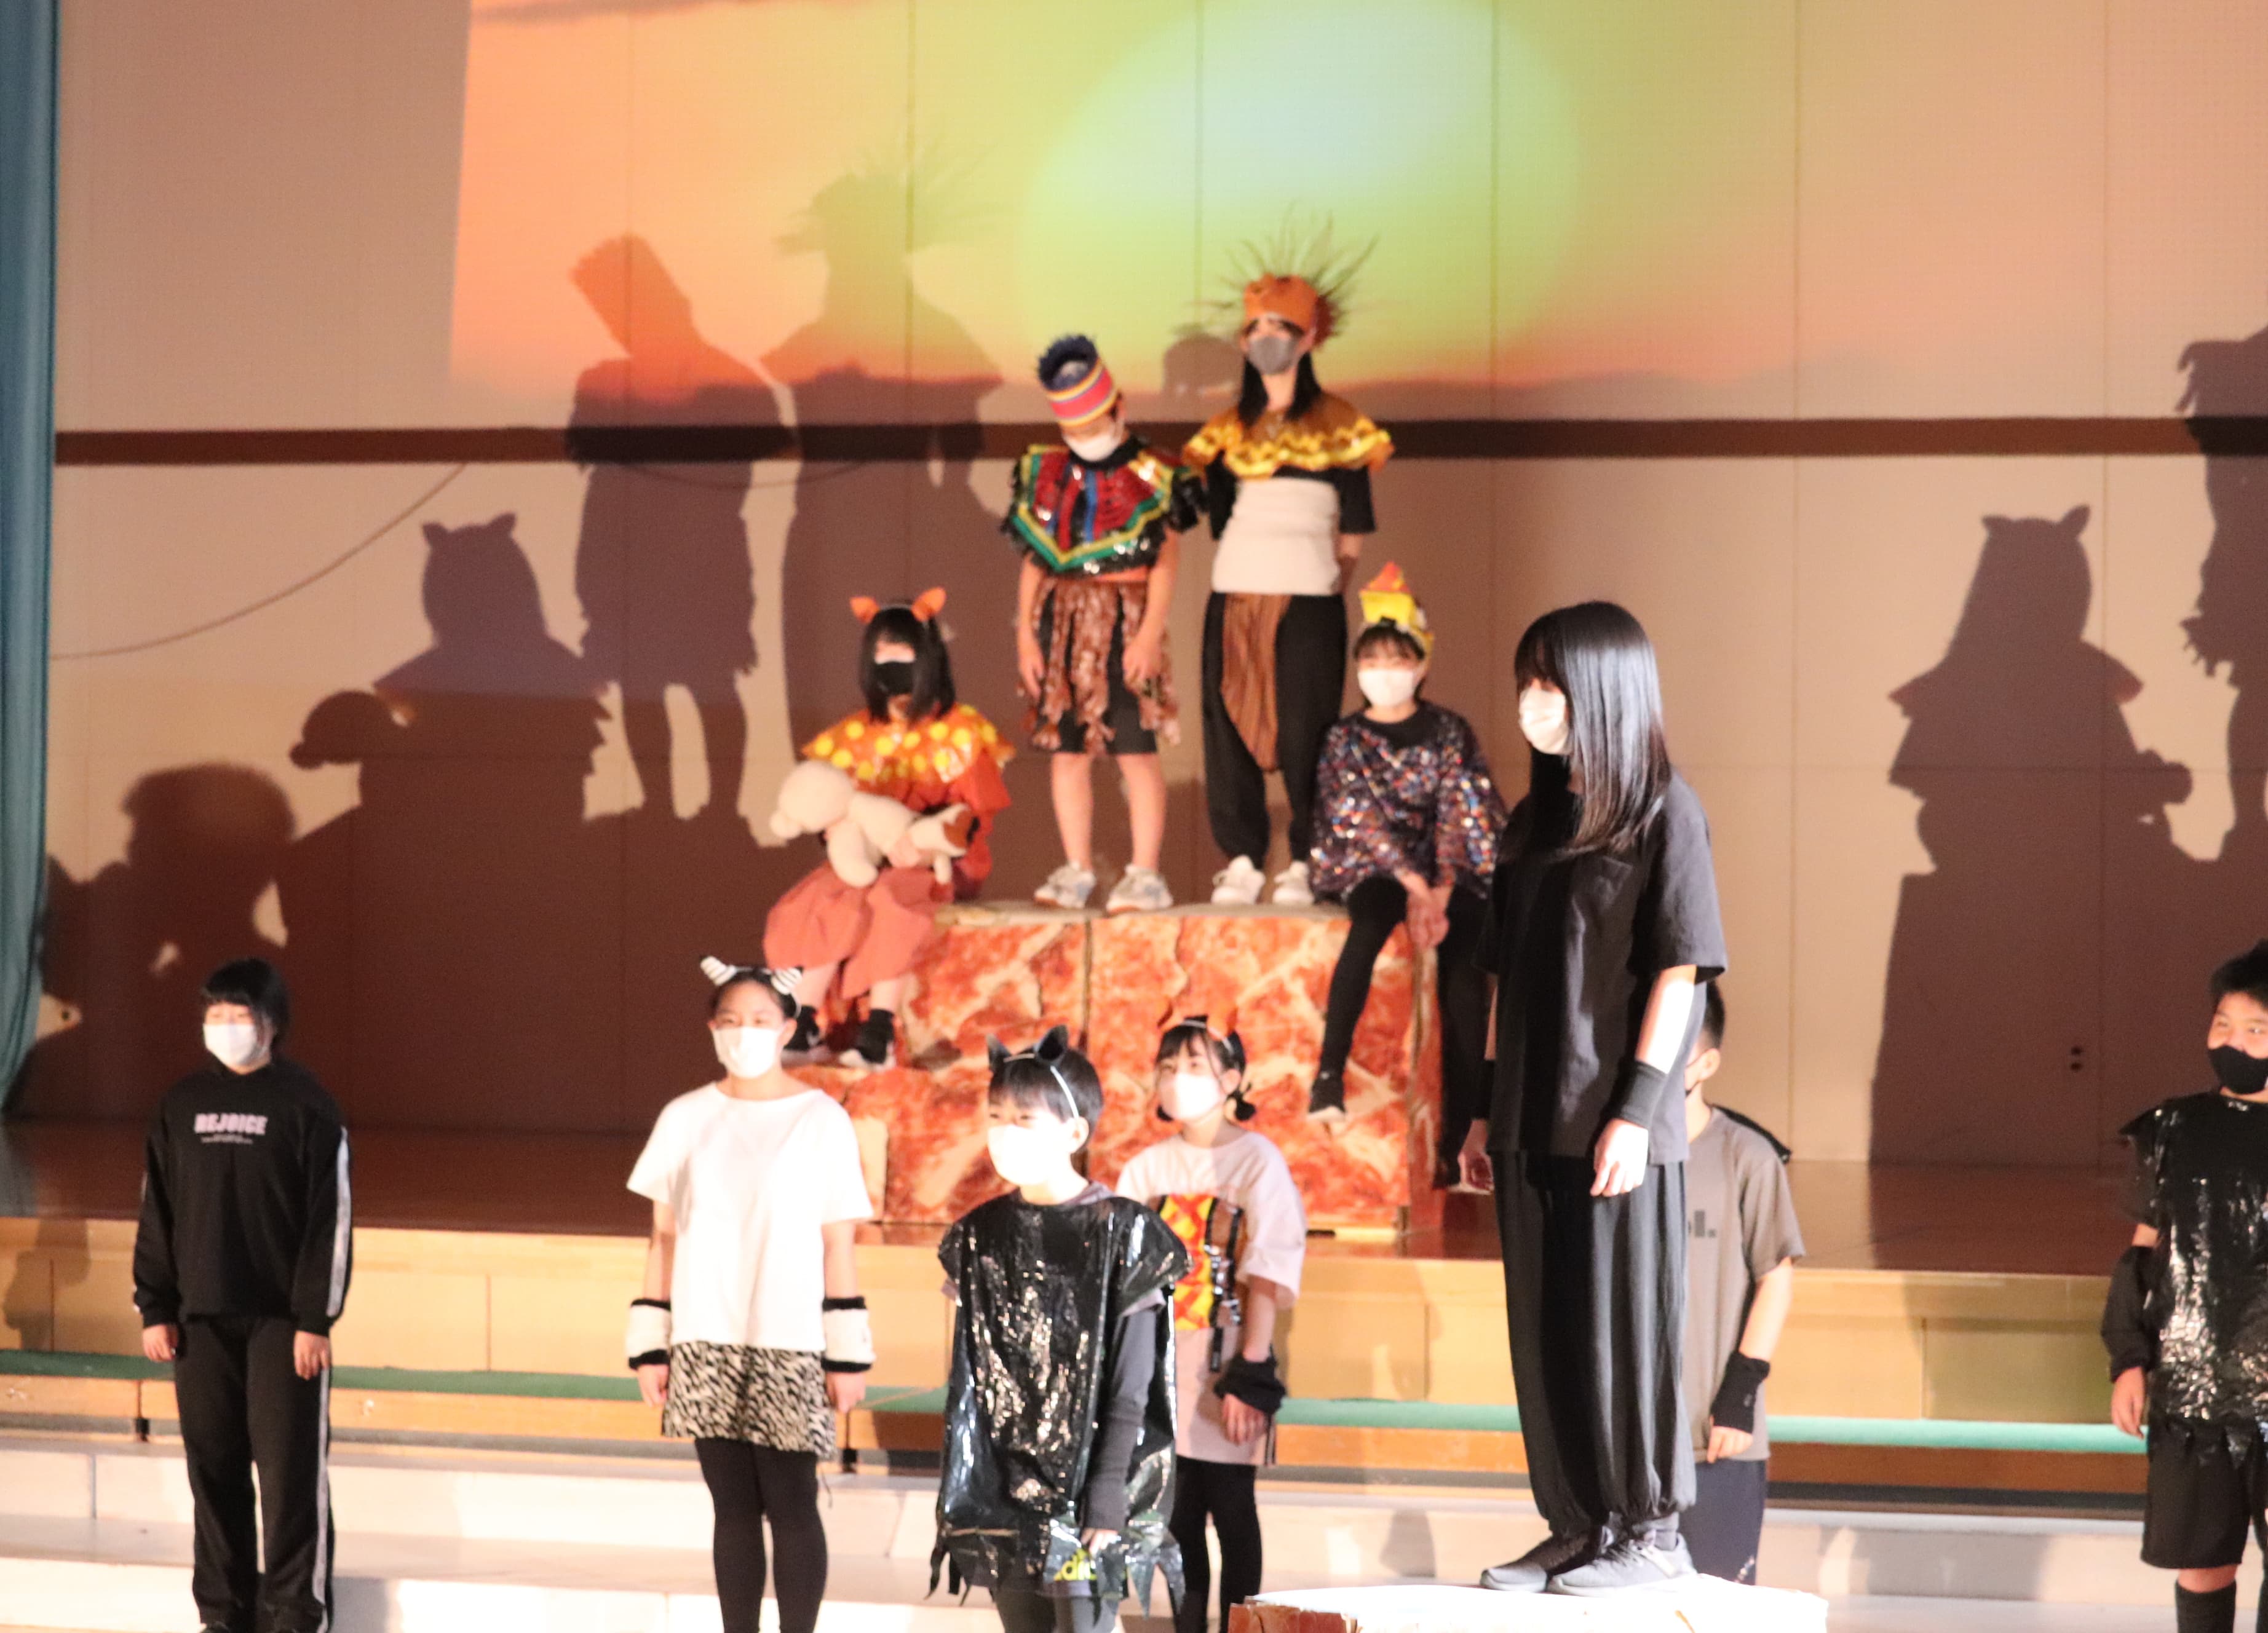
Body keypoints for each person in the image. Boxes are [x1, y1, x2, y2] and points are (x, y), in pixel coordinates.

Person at [1457, 601, 1727, 1595]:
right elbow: (1501, 981)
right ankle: (1576, 1521)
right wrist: (1483, 1110)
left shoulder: (1664, 811)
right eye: (1525, 684)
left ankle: (1650, 1531)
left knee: (1625, 1328)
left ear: (1605, 690)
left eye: (1550, 685)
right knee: (1548, 1329)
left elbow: (1679, 973)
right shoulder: (1530, 822)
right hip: (1529, 1117)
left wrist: (1636, 1110)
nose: (1531, 705)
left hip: (1616, 1120)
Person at [625, 960, 874, 1633]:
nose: (745, 1033)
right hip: (705, 1335)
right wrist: (650, 1345)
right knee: (731, 1507)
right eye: (731, 1020)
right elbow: (662, 1237)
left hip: (792, 1339)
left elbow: (839, 1243)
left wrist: (847, 1356)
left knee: (792, 1503)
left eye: (761, 1020)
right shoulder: (685, 1118)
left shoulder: (820, 1119)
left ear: (788, 1029)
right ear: (712, 1028)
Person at [934, 1027, 1188, 1633]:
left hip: (1085, 1504)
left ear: (1074, 1133)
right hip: (1003, 1494)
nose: (1005, 1131)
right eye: (997, 1116)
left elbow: (1130, 1386)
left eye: (1024, 1118)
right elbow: (970, 1379)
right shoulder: (979, 1236)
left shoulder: (1125, 1232)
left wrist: (1107, 1493)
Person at [132, 958, 352, 1633]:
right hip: (200, 1321)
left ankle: (295, 1612)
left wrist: (315, 1317)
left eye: (240, 1015)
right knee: (214, 1471)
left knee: (288, 1476)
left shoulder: (307, 1104)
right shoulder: (180, 1104)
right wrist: (155, 1306)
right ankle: (223, 1612)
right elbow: (158, 1209)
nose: (225, 1026)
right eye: (215, 1015)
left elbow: (330, 1219)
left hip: (282, 1325)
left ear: (272, 1023)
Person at [1184, 251, 1392, 909]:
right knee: (1225, 725)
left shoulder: (1339, 422)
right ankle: (1243, 859)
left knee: (1308, 731)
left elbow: (1354, 523)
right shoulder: (1227, 429)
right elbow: (1219, 518)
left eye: (1279, 327)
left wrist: (1334, 578)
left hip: (1308, 596)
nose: (1265, 339)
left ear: (1308, 337)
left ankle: (1305, 858)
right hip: (1235, 590)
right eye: (1255, 329)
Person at [764, 589, 1012, 1069]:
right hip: (864, 854)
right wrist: (839, 834)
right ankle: (804, 1021)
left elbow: (971, 816)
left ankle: (879, 1033)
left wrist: (923, 848)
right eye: (882, 654)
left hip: (934, 856)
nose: (892, 664)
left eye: (903, 653)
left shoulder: (961, 731)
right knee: (823, 897)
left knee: (893, 900)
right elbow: (831, 804)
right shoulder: (853, 735)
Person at [1114, 1015, 1304, 1633]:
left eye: (1195, 1065)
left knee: (1231, 1506)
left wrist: (1251, 1370)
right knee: (1176, 1515)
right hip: (1160, 1365)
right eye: (1168, 1067)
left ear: (1231, 1078)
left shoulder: (1257, 1160)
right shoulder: (1146, 1168)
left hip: (1226, 1361)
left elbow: (1268, 1267)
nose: (1178, 1078)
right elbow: (1125, 1279)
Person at [1304, 564, 1505, 1134]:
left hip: (1450, 873)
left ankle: (1466, 1127)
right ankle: (1328, 1077)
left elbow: (1463, 806)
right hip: (1376, 869)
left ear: (1420, 664)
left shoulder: (1449, 730)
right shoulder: (1345, 738)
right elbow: (1357, 818)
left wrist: (1441, 889)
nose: (1383, 671)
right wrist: (1413, 886)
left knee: (1466, 976)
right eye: (1371, 660)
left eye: (1396, 659)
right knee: (1368, 926)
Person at [2106, 939, 2268, 1633]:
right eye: (2223, 1024)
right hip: (2195, 1388)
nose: (2234, 1042)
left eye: (2256, 1028)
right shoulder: (2173, 1128)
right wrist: (2129, 1359)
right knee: (2203, 1564)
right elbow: (2142, 1254)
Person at [1010, 336, 1200, 914]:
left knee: (1134, 750)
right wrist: (1026, 634)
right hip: (1065, 619)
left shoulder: (1154, 471)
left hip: (1126, 617)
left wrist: (1148, 634)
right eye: (1075, 429)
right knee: (1069, 752)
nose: (1085, 437)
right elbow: (1037, 557)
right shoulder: (1049, 472)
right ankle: (1077, 868)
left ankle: (1145, 873)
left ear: (1119, 408)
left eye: (1095, 424)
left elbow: (1165, 560)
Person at [1676, 984, 1802, 1585]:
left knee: (1716, 1605)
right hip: (1629, 1442)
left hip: (1715, 1439)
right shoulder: (1616, 1156)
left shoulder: (1745, 1156)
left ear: (1705, 1064)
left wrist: (1739, 1396)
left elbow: (1775, 1276)